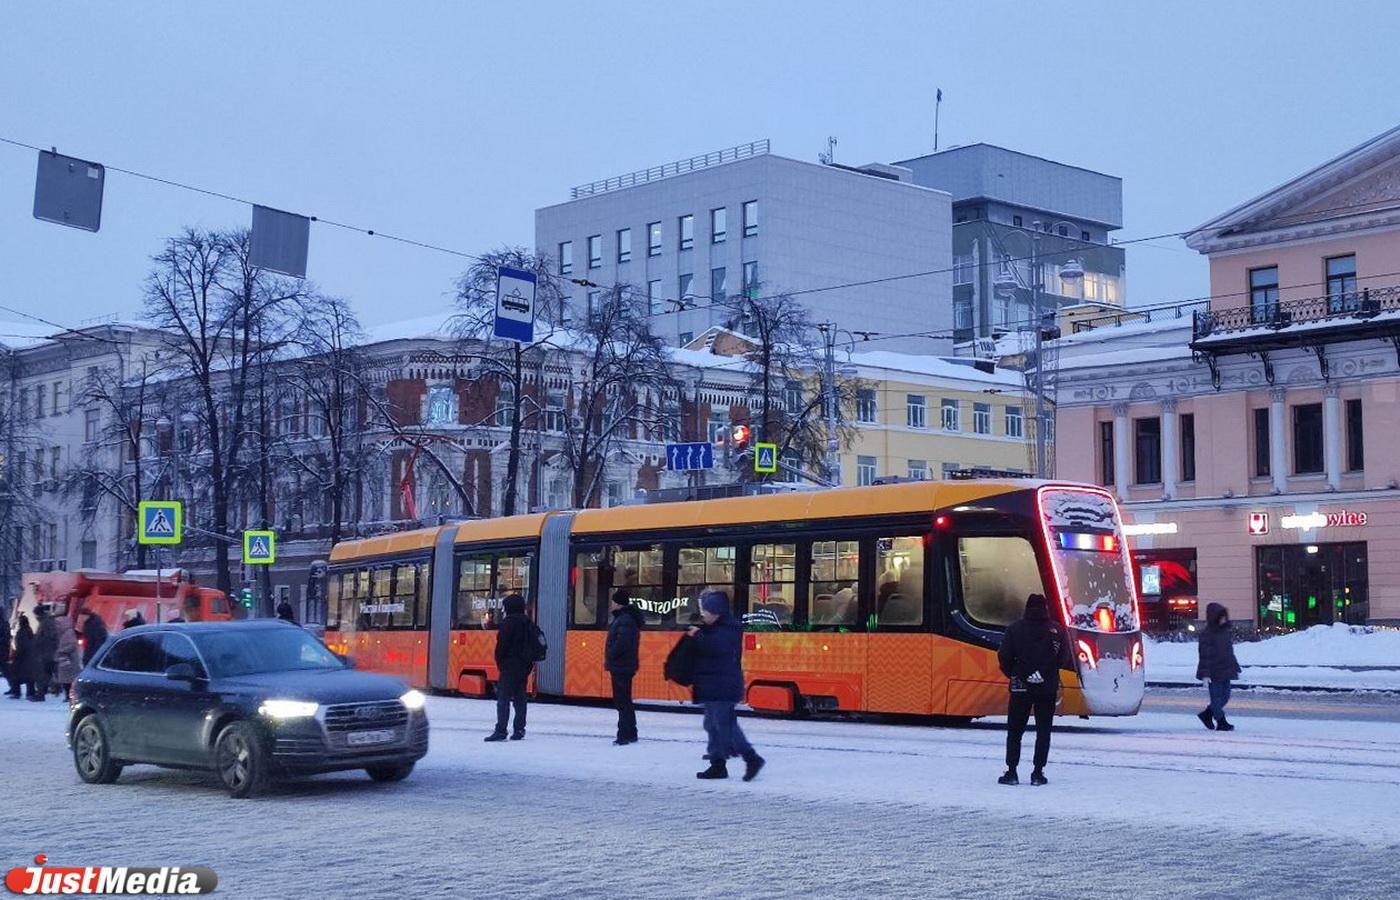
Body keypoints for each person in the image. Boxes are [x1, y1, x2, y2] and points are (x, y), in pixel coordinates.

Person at [996, 594, 1073, 786]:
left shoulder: (1015, 629)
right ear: (1045, 608)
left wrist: (1017, 674)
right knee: (1043, 730)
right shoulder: (1056, 630)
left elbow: (1004, 657)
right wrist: (1046, 674)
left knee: (1015, 730)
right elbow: (1063, 658)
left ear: (1027, 607)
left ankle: (1012, 772)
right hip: (1047, 687)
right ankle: (1038, 773)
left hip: (1021, 686)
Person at [690, 590, 764, 782]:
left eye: (707, 611)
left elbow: (716, 649)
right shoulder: (718, 627)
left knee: (725, 725)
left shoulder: (726, 629)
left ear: (717, 612)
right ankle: (718, 764)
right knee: (713, 724)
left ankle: (751, 758)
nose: (704, 615)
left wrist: (698, 637)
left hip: (722, 685)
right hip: (715, 684)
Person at [485, 593, 534, 742]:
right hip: (524, 665)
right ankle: (519, 729)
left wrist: (500, 663)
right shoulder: (528, 622)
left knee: (503, 698)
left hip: (509, 666)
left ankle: (501, 730)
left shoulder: (508, 623)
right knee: (520, 698)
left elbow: (501, 648)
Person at [605, 588, 644, 745]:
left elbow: (622, 643)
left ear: (618, 603)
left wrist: (611, 654)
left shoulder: (624, 620)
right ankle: (631, 732)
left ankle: (624, 735)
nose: (611, 604)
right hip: (624, 665)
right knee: (624, 700)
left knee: (622, 701)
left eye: (613, 601)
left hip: (621, 665)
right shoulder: (626, 619)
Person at [1196, 602, 1242, 732]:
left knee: (1225, 696)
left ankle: (1207, 714)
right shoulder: (1207, 634)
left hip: (1226, 670)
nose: (1224, 619)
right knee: (1216, 698)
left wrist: (1235, 667)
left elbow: (1229, 652)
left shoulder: (1225, 632)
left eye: (1224, 616)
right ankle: (1221, 721)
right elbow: (1204, 655)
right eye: (1220, 617)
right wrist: (1205, 674)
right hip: (1213, 671)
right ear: (1214, 618)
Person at [31, 606, 59, 702]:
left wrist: (37, 641)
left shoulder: (46, 622)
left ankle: (41, 694)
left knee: (43, 674)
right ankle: (45, 691)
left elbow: (48, 638)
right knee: (48, 673)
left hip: (46, 652)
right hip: (48, 652)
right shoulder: (47, 621)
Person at [8, 615, 35, 700]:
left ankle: (17, 692)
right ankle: (30, 693)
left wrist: (16, 654)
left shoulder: (22, 632)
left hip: (22, 656)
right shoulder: (29, 631)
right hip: (29, 657)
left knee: (15, 675)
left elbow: (22, 645)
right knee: (29, 677)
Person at [52, 622, 82, 697]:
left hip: (68, 660)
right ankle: (68, 695)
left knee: (68, 679)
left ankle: (69, 696)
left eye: (58, 625)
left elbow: (70, 646)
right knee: (67, 678)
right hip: (67, 659)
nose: (57, 627)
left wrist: (60, 650)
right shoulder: (66, 633)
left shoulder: (68, 634)